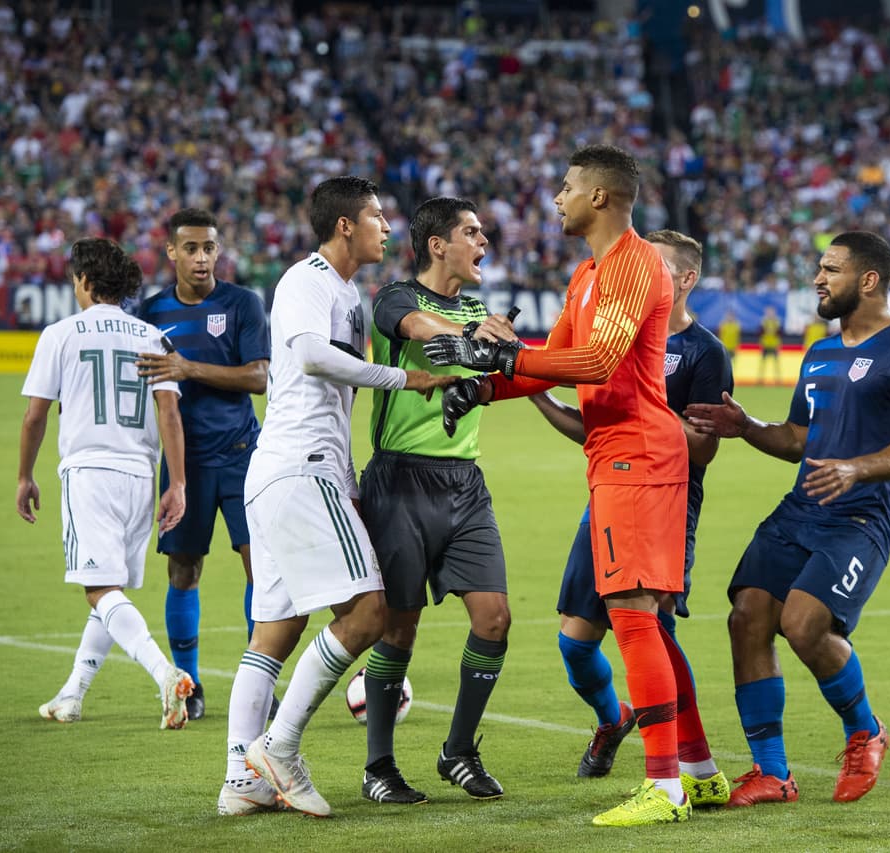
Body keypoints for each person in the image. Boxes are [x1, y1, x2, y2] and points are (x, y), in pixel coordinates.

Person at [424, 143, 711, 826]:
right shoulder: (589, 273)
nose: (556, 197)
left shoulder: (635, 264)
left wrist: (504, 352)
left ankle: (664, 787)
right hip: (619, 454)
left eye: (566, 186)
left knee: (634, 614)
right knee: (648, 621)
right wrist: (485, 384)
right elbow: (551, 363)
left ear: (601, 197)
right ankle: (698, 771)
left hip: (636, 455)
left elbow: (598, 358)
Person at [217, 176, 454, 818]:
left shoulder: (349, 293)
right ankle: (279, 748)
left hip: (286, 472)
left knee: (275, 630)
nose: (386, 225)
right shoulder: (308, 279)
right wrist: (403, 376)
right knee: (369, 614)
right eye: (377, 216)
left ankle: (241, 782)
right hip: (303, 467)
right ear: (345, 224)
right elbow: (313, 358)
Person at [685, 231, 890, 808]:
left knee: (803, 624)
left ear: (868, 280)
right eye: (819, 268)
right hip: (800, 508)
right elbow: (798, 439)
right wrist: (746, 426)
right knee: (747, 615)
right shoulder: (819, 352)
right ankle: (772, 773)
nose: (818, 279)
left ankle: (865, 731)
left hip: (860, 518)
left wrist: (856, 470)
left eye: (830, 269)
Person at [529, 228, 732, 805]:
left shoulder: (704, 353)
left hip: (665, 497)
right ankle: (616, 720)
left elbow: (703, 448)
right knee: (576, 642)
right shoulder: (615, 341)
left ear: (685, 280)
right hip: (609, 488)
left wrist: (647, 416)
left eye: (655, 268)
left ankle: (688, 769)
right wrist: (536, 393)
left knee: (650, 628)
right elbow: (592, 428)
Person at [357, 196, 520, 806]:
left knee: (495, 617)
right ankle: (379, 766)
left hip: (464, 484)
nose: (483, 243)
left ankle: (457, 750)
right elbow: (419, 330)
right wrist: (473, 339)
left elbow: (494, 373)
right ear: (437, 244)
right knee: (398, 628)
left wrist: (481, 379)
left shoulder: (480, 307)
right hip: (399, 483)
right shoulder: (396, 298)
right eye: (472, 234)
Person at [17, 237, 195, 730]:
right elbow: (170, 413)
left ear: (86, 282)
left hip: (89, 471)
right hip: (139, 475)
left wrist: (24, 475)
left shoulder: (61, 333)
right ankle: (72, 695)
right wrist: (176, 482)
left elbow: (35, 416)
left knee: (99, 589)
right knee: (108, 588)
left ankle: (164, 673)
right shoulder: (152, 336)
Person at [134, 208, 270, 722]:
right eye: (189, 248)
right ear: (171, 252)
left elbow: (259, 377)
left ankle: (260, 681)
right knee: (183, 570)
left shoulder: (241, 304)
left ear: (218, 250)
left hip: (242, 457)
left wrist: (189, 367)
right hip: (184, 462)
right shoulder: (150, 313)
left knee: (260, 565)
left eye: (208, 247)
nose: (200, 257)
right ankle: (189, 683)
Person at [757, 304, 782, 385]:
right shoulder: (764, 321)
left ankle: (777, 380)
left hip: (774, 344)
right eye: (769, 312)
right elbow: (760, 333)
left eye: (772, 312)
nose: (770, 313)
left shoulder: (777, 321)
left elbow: (779, 333)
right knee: (763, 363)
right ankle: (760, 379)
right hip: (766, 344)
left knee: (776, 363)